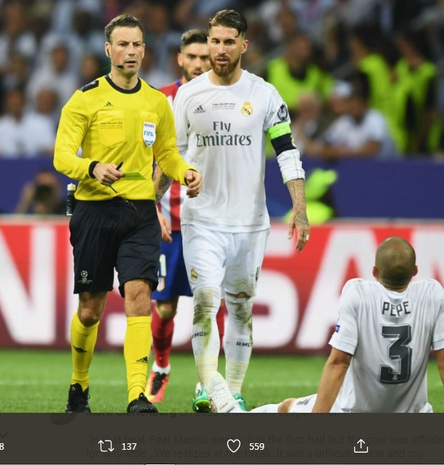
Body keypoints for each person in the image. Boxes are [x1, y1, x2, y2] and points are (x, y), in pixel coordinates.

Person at [54, 13, 203, 414]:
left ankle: (137, 395)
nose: (131, 51)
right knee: (91, 307)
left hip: (139, 212)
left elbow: (167, 154)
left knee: (139, 297)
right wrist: (92, 167)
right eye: (123, 44)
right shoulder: (84, 99)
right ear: (108, 50)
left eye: (137, 44)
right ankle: (79, 385)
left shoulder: (156, 101)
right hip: (93, 211)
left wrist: (184, 171)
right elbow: (62, 155)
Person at [168, 9, 309, 413]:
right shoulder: (188, 95)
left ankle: (231, 388)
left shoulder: (264, 94)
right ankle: (213, 391)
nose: (220, 49)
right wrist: (162, 195)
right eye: (215, 41)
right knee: (205, 302)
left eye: (229, 42)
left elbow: (287, 152)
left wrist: (299, 209)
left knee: (241, 309)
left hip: (250, 224)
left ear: (244, 45)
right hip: (201, 219)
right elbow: (173, 154)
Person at [251, 237, 444, 413]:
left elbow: (338, 363)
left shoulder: (358, 293)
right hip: (413, 414)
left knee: (288, 406)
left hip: (353, 413)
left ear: (375, 272)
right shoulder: (433, 295)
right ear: (415, 271)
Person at [145, 28, 220, 409]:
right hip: (170, 219)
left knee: (208, 302)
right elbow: (148, 159)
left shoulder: (223, 97)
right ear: (180, 59)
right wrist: (153, 207)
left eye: (204, 58)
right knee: (166, 306)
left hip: (210, 220)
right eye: (192, 57)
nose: (197, 64)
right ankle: (160, 366)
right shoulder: (160, 100)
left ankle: (206, 381)